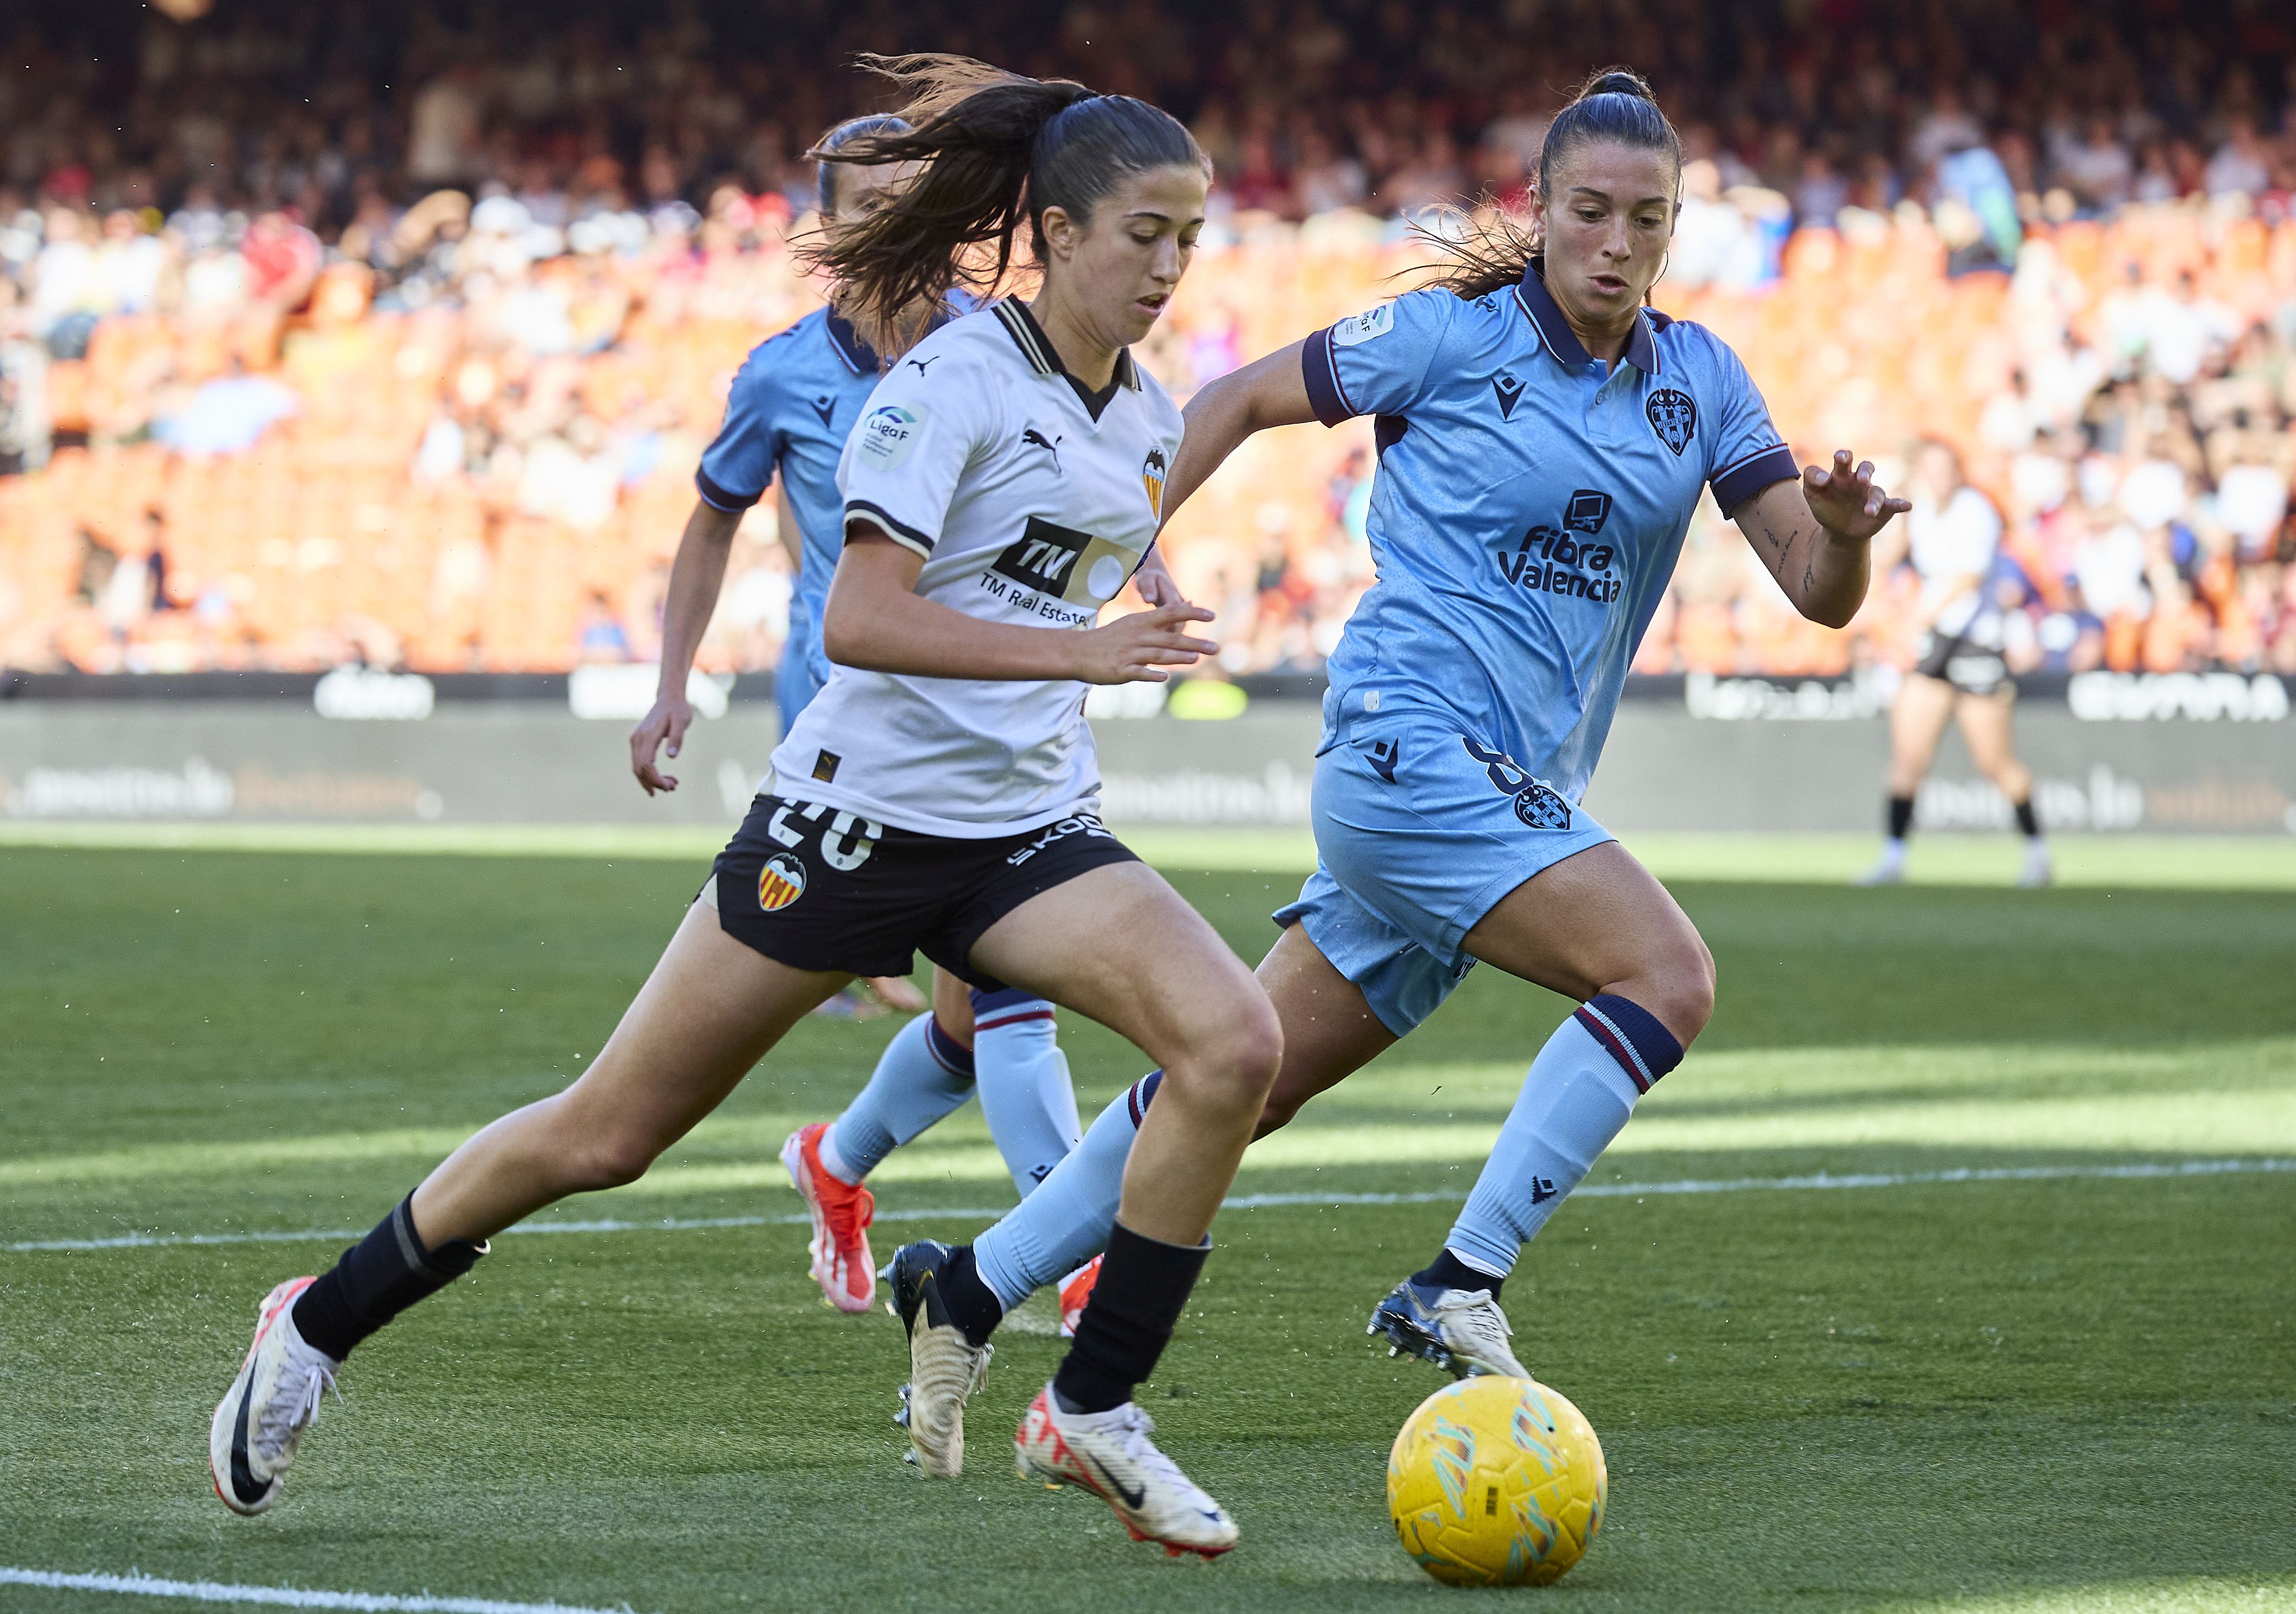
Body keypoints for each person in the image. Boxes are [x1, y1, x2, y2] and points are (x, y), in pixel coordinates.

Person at [207, 56, 1279, 1561]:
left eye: (1190, 238)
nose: (1169, 268)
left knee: (1234, 1042)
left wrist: (1135, 595)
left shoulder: (1149, 415)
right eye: (1143, 235)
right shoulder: (947, 382)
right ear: (1047, 228)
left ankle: (1089, 1408)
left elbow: (1064, 553)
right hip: (855, 826)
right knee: (606, 1134)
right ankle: (312, 1328)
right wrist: (1083, 646)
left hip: (1029, 829)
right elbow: (865, 616)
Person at [890, 68, 1910, 1399]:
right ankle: (1460, 1279)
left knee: (1240, 1080)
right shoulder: (1446, 339)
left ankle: (968, 1285)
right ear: (1539, 208)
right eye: (1591, 212)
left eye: (1646, 221)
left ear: (1674, 227)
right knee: (1665, 976)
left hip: (1505, 782)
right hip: (1406, 747)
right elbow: (1241, 397)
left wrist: (1838, 540)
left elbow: (1815, 595)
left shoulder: (1703, 380)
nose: (1616, 245)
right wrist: (1121, 544)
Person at [627, 114, 1127, 1319]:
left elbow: (1075, 481)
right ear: (833, 225)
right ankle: (1066, 1246)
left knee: (971, 1023)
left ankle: (835, 1160)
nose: (898, 220)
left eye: (919, 196)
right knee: (1008, 994)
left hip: (1004, 697)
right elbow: (712, 518)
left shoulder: (1001, 347)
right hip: (869, 725)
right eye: (870, 201)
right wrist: (669, 679)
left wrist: (1135, 564)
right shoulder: (784, 373)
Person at [1857, 437, 2050, 887]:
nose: (1940, 476)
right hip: (1935, 642)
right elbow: (1890, 557)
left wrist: (1915, 618)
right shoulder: (1919, 508)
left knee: (1995, 762)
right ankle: (1893, 856)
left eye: (1947, 467)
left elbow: (1969, 577)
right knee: (1908, 759)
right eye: (1931, 468)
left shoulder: (1975, 511)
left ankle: (2037, 849)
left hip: (1975, 643)